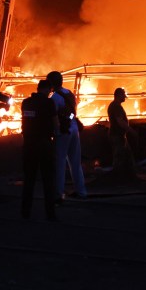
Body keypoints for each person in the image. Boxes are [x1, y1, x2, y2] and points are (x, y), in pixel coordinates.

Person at [21, 79, 59, 220]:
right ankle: (50, 214)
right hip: (44, 145)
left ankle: (25, 212)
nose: (50, 93)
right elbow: (56, 124)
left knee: (29, 179)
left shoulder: (26, 102)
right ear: (47, 89)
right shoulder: (49, 103)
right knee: (48, 180)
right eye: (50, 90)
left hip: (29, 145)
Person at [49, 70, 87, 202]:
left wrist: (59, 126)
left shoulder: (55, 98)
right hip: (74, 130)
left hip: (62, 133)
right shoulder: (70, 94)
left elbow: (53, 116)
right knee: (75, 162)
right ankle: (81, 191)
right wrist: (69, 119)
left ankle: (59, 193)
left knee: (60, 163)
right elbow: (73, 113)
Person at [107, 87, 138, 179]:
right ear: (119, 95)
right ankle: (118, 179)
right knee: (119, 157)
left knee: (126, 156)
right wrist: (131, 131)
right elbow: (120, 122)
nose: (125, 97)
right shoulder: (116, 107)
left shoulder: (115, 106)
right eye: (123, 95)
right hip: (117, 136)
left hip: (119, 136)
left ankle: (127, 177)